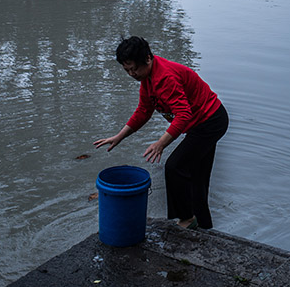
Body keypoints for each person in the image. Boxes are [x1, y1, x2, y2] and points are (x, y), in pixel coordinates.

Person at [94, 36, 228, 230]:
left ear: (148, 59)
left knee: (175, 167)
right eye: (127, 70)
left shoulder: (165, 77)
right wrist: (119, 136)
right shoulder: (147, 80)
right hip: (204, 122)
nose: (132, 74)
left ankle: (187, 219)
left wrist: (161, 143)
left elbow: (183, 114)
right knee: (197, 178)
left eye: (134, 69)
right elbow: (143, 111)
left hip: (210, 121)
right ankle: (205, 228)